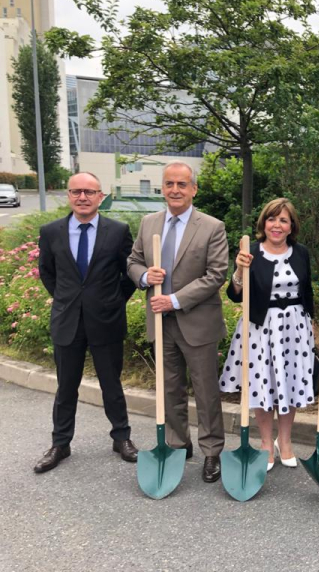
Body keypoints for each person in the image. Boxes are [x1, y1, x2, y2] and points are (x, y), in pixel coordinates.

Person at [127, 160, 229, 483]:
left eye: (182, 184)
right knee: (169, 388)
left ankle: (212, 452)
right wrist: (144, 276)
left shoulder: (212, 227)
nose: (175, 190)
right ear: (163, 188)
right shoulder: (149, 223)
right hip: (161, 322)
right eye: (169, 184)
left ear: (193, 189)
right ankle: (178, 444)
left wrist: (173, 299)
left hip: (196, 321)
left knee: (205, 390)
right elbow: (133, 261)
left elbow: (216, 276)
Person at [34, 172, 137, 473]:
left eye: (89, 192)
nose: (82, 197)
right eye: (76, 191)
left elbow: (128, 273)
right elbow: (47, 272)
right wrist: (67, 299)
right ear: (68, 195)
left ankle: (122, 438)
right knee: (66, 387)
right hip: (67, 321)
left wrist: (114, 301)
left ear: (100, 196)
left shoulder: (117, 231)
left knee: (111, 384)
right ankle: (60, 444)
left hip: (106, 320)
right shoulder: (51, 231)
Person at [219, 198, 315, 471]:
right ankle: (264, 443)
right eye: (272, 219)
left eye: (283, 220)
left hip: (294, 328)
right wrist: (239, 270)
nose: (277, 225)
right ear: (264, 223)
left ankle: (285, 442)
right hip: (260, 327)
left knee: (289, 383)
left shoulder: (301, 252)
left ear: (291, 226)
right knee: (263, 385)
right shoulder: (249, 252)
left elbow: (306, 292)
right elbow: (234, 295)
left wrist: (312, 327)